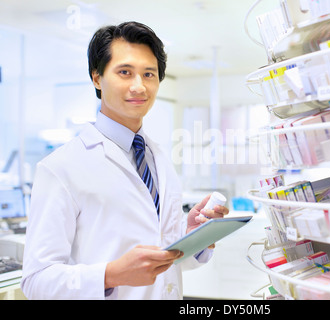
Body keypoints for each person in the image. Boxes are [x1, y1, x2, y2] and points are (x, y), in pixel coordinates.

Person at [21, 21, 229, 300]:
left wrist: (192, 234)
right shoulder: (60, 168)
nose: (139, 86)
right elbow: (36, 281)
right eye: (125, 72)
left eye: (149, 74)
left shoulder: (158, 158)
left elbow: (163, 254)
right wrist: (111, 274)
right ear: (97, 78)